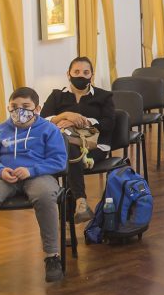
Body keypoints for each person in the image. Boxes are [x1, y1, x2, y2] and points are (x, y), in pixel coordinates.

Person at [0, 87, 69, 282]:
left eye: (25, 106)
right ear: (8, 107)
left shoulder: (49, 130)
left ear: (37, 108)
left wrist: (32, 170)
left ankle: (52, 256)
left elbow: (58, 161)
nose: (19, 111)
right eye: (14, 107)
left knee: (46, 196)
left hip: (39, 176)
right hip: (6, 177)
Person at [40, 56, 115, 224]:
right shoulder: (57, 95)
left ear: (92, 76)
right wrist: (65, 115)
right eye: (77, 72)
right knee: (69, 150)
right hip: (64, 147)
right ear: (68, 74)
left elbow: (109, 123)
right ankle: (80, 203)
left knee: (67, 156)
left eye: (86, 72)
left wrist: (84, 121)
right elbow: (42, 121)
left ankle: (66, 224)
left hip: (94, 148)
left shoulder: (104, 96)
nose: (81, 76)